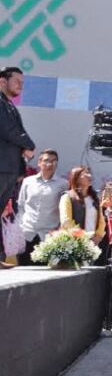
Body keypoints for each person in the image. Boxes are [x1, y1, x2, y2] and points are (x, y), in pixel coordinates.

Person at [0, 67, 34, 268]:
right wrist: (29, 144)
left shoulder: (9, 105)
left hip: (8, 169)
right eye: (17, 81)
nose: (21, 86)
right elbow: (8, 129)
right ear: (2, 81)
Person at [16, 149, 66, 265]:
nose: (50, 164)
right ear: (39, 163)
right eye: (47, 161)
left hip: (48, 235)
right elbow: (21, 204)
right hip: (27, 233)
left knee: (45, 273)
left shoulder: (63, 184)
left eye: (54, 161)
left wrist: (59, 229)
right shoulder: (28, 181)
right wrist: (21, 225)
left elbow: (64, 208)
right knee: (24, 269)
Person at [59, 166, 106, 247]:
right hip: (72, 243)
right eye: (86, 173)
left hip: (92, 244)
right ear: (76, 178)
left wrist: (98, 236)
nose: (90, 176)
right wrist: (82, 237)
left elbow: (101, 220)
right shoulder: (68, 197)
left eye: (90, 173)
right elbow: (66, 221)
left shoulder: (94, 198)